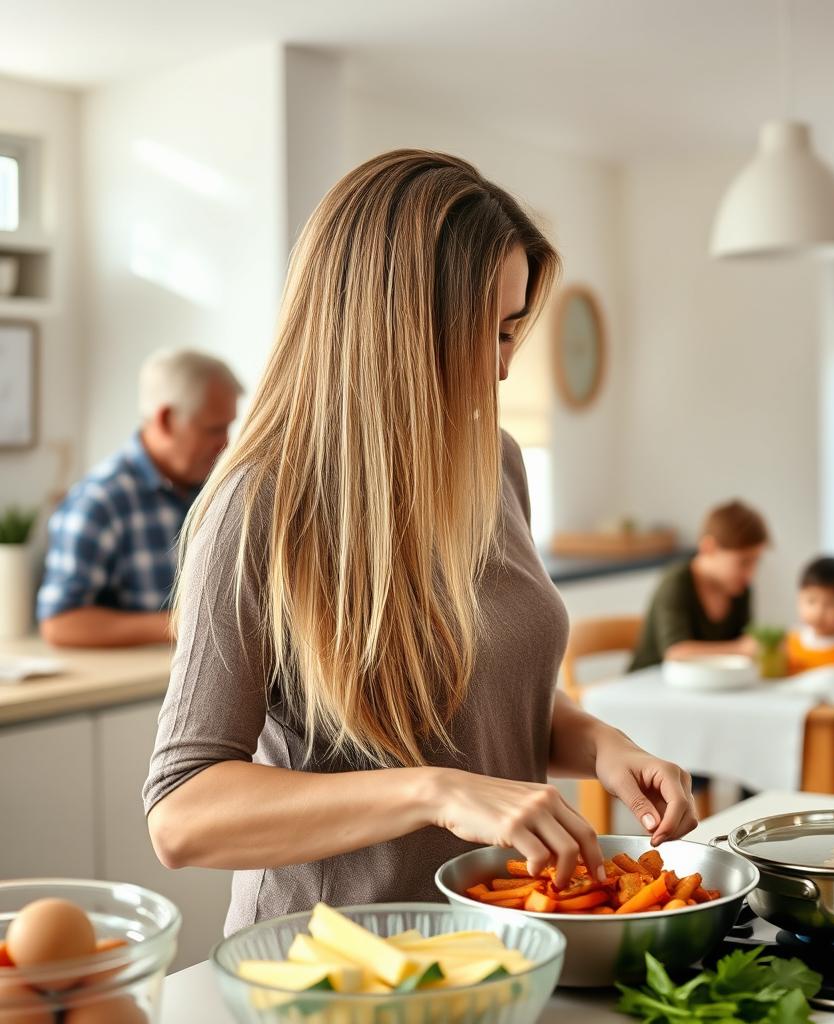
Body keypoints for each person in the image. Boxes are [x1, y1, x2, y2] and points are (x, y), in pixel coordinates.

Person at [143, 150, 697, 934]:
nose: (503, 371)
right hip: (330, 972)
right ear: (391, 330)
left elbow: (480, 699)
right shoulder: (258, 507)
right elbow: (182, 814)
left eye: (513, 333)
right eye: (485, 334)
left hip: (499, 945)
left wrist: (603, 745)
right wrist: (430, 791)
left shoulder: (494, 462)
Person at [36, 349, 241, 648]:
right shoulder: (100, 501)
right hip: (140, 689)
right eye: (215, 429)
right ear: (167, 419)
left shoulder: (219, 489)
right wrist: (183, 622)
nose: (227, 443)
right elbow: (60, 623)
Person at [629, 500, 769, 671]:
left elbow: (746, 643)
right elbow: (676, 652)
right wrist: (739, 649)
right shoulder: (676, 582)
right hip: (648, 687)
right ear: (708, 547)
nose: (750, 573)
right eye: (743, 562)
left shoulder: (740, 588)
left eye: (756, 562)